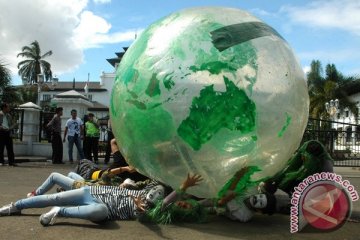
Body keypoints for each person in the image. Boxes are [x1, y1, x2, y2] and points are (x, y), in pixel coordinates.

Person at [0, 173, 167, 226]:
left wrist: (139, 207)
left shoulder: (147, 210)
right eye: (155, 190)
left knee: (101, 211)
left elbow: (142, 216)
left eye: (158, 195)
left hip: (101, 209)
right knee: (55, 197)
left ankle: (59, 212)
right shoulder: (140, 189)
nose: (154, 193)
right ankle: (15, 206)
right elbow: (156, 177)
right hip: (90, 191)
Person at [141, 170, 277, 224]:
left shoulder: (244, 215)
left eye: (260, 204)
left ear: (259, 210)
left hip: (222, 205)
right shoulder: (252, 190)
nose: (257, 200)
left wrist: (184, 186)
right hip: (216, 199)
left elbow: (222, 200)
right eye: (260, 198)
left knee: (211, 203)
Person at [258, 140, 334, 197]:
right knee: (288, 177)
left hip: (317, 186)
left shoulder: (325, 166)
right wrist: (276, 179)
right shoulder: (306, 147)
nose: (304, 157)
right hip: (307, 175)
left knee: (294, 184)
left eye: (307, 157)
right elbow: (291, 166)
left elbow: (304, 175)